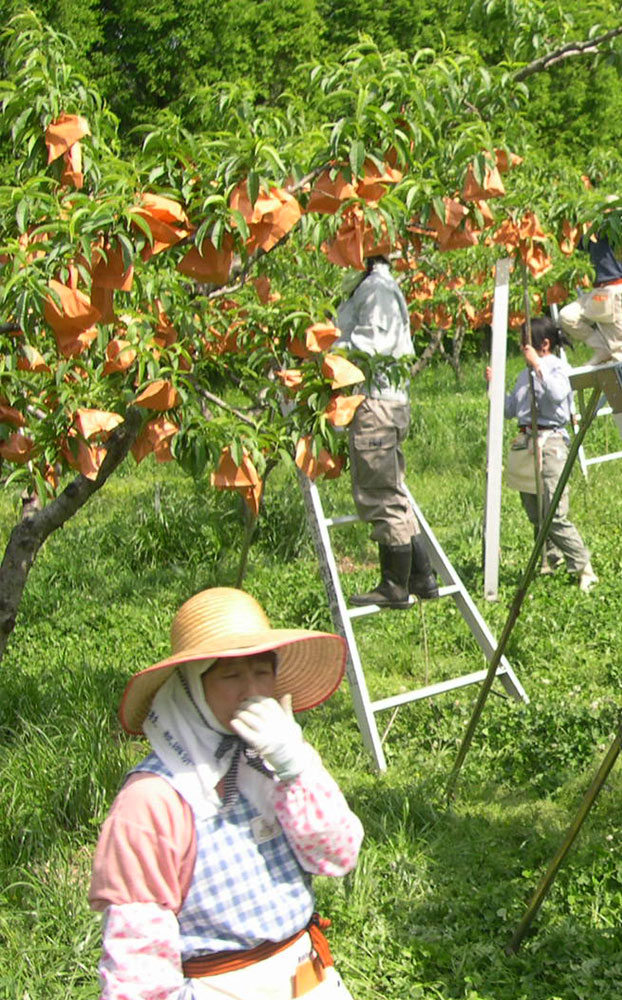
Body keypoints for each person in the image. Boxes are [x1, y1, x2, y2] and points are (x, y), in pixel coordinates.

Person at [90, 587, 363, 999]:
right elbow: (138, 959)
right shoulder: (154, 799)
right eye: (230, 675)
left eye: (261, 671)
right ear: (190, 689)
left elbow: (338, 854)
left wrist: (296, 766)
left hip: (308, 979)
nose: (250, 690)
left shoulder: (274, 759)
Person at [333, 253, 438, 609]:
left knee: (379, 493)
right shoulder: (369, 286)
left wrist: (324, 351)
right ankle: (422, 576)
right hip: (385, 401)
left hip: (376, 403)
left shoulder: (376, 289)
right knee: (392, 492)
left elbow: (371, 345)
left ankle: (394, 585)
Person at [503, 316, 598, 592]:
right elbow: (511, 409)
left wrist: (538, 366)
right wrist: (493, 386)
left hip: (551, 443)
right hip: (526, 444)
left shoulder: (557, 368)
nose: (523, 350)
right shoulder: (524, 374)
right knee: (534, 510)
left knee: (554, 512)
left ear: (543, 344)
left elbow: (557, 396)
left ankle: (583, 566)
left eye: (526, 344)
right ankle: (550, 560)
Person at [558, 234, 622, 369]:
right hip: (598, 291)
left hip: (615, 289)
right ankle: (602, 349)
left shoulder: (612, 226)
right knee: (567, 316)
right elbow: (574, 241)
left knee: (621, 351)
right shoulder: (591, 231)